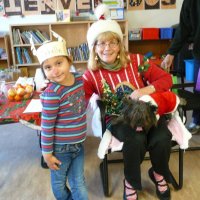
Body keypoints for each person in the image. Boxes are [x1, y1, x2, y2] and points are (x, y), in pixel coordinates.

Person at [82, 4, 173, 200]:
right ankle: (130, 182)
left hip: (146, 111)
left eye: (113, 42)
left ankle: (158, 174)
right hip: (117, 118)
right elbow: (81, 100)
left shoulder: (137, 61)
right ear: (94, 48)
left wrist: (145, 90)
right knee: (135, 140)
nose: (107, 48)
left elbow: (166, 79)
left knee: (162, 136)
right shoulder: (90, 75)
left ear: (120, 44)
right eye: (101, 43)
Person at [30, 32, 88, 200]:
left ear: (69, 61)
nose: (55, 70)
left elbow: (89, 75)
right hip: (60, 148)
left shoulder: (79, 79)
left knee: (77, 183)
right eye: (48, 67)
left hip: (78, 144)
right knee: (61, 184)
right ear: (43, 71)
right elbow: (46, 126)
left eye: (59, 63)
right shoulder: (52, 93)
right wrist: (46, 154)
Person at [161, 0, 200, 134]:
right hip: (199, 54)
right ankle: (197, 121)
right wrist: (171, 53)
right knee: (198, 89)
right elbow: (183, 28)